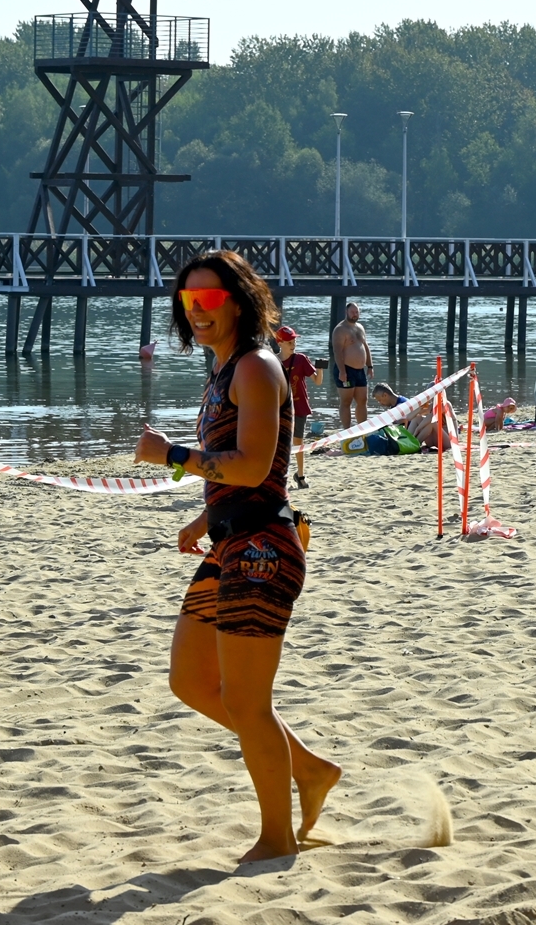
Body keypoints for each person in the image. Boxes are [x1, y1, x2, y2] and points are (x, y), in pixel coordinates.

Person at [134, 250, 340, 863]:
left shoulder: (255, 366)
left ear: (239, 302)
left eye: (210, 299)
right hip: (232, 540)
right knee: (191, 680)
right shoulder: (223, 367)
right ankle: (309, 769)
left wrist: (172, 456)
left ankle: (277, 838)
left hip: (262, 550)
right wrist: (204, 517)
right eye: (188, 301)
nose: (197, 311)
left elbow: (252, 466)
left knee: (249, 704)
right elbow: (253, 471)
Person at [275, 325, 322, 489]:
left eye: (294, 341)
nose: (293, 344)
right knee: (280, 444)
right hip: (280, 409)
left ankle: (300, 476)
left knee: (298, 442)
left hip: (299, 407)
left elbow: (318, 381)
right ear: (280, 343)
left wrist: (320, 368)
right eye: (289, 342)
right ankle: (280, 476)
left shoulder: (301, 359)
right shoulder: (273, 361)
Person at [330, 302, 373, 429]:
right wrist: (342, 371)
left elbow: (365, 347)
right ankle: (347, 430)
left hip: (360, 370)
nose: (355, 314)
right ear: (346, 312)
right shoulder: (340, 329)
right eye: (352, 312)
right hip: (346, 369)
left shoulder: (360, 327)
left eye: (357, 312)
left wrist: (370, 366)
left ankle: (362, 430)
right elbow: (337, 351)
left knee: (363, 400)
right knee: (346, 401)